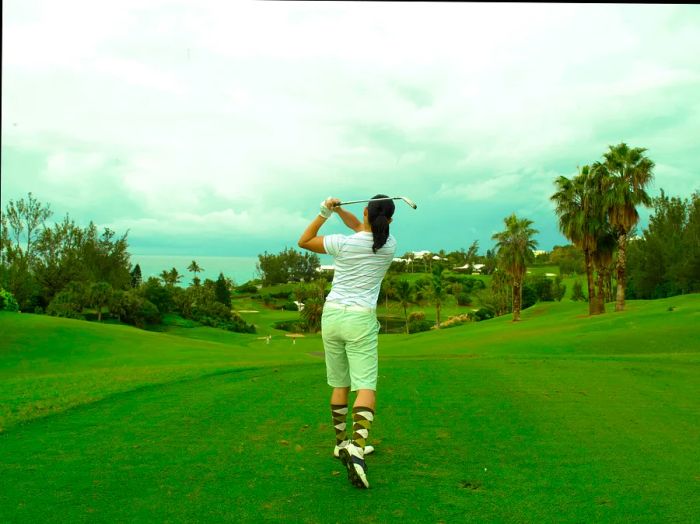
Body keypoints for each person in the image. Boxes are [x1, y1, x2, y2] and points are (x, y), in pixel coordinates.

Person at [298, 194, 397, 489]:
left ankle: (341, 444)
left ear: (365, 211)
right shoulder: (389, 245)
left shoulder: (343, 243)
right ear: (389, 220)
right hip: (359, 321)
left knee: (339, 384)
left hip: (332, 317)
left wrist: (325, 211)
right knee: (365, 386)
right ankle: (357, 446)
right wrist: (341, 210)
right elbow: (364, 229)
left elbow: (305, 240)